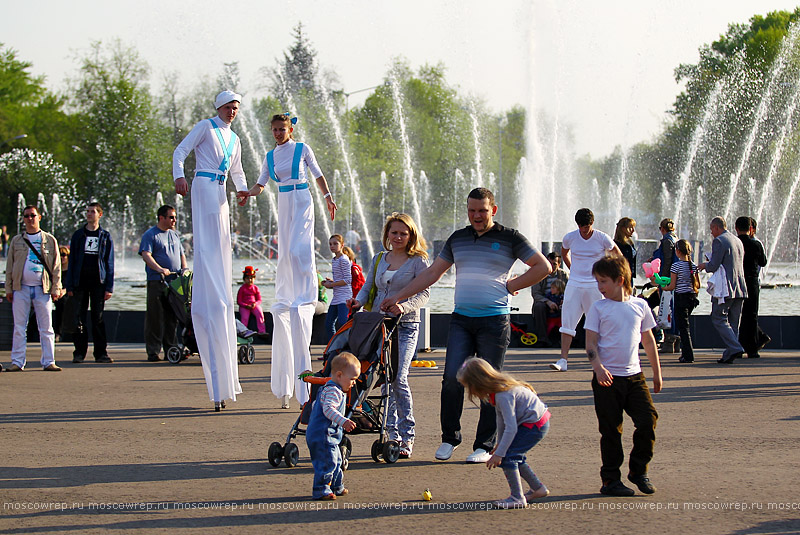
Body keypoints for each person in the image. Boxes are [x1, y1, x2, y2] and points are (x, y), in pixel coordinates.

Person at [380, 188, 551, 463]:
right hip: (461, 319)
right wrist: (397, 297)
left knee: (489, 382)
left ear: (493, 210)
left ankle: (484, 444)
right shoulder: (458, 238)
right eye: (472, 211)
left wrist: (512, 285)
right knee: (451, 379)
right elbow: (433, 273)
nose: (476, 216)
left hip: (494, 320)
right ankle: (450, 438)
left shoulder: (510, 237)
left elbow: (542, 266)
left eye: (482, 211)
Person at [238, 113, 336, 409]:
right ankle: (291, 289)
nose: (279, 133)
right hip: (284, 201)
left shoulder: (302, 149)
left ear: (290, 129)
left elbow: (318, 174)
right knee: (286, 252)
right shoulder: (270, 156)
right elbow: (260, 185)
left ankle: (307, 288)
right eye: (275, 130)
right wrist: (247, 194)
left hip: (303, 198)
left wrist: (328, 196)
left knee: (298, 250)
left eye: (282, 129)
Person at [173, 90, 248, 410]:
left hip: (221, 191)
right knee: (206, 245)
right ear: (219, 107)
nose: (233, 112)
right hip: (202, 185)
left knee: (222, 242)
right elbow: (180, 151)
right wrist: (179, 176)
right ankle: (206, 265)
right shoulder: (205, 127)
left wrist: (243, 189)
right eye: (229, 107)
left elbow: (238, 170)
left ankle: (218, 270)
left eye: (236, 108)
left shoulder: (235, 139)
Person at [349, 213, 430, 458]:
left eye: (403, 233)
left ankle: (407, 436)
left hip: (405, 326)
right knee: (384, 379)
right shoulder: (378, 259)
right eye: (394, 233)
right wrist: (358, 302)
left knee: (399, 378)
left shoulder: (419, 261)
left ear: (411, 235)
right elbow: (367, 287)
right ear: (387, 235)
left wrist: (403, 306)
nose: (398, 237)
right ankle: (390, 434)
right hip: (378, 325)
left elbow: (424, 295)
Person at [585, 255, 662, 496]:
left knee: (648, 421)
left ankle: (638, 471)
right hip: (606, 379)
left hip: (634, 377)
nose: (600, 287)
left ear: (620, 280)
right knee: (611, 431)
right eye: (597, 281)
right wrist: (597, 367)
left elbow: (648, 341)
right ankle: (610, 480)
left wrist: (657, 374)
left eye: (603, 281)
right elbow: (590, 344)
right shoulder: (598, 307)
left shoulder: (640, 306)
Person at [456, 357, 551, 509]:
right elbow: (501, 421)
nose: (470, 391)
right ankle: (538, 489)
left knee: (509, 457)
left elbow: (511, 427)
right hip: (535, 423)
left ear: (478, 384)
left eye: (469, 387)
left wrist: (500, 454)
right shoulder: (498, 390)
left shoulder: (503, 395)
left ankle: (517, 498)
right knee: (514, 455)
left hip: (534, 425)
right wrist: (500, 444)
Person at [551, 208, 621, 372]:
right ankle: (563, 360)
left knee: (597, 322)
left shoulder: (602, 237)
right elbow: (564, 252)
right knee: (567, 320)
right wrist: (572, 268)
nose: (585, 230)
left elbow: (617, 255)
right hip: (574, 283)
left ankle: (600, 360)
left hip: (594, 285)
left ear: (592, 224)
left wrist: (609, 275)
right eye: (582, 227)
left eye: (587, 227)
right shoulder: (570, 237)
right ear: (578, 225)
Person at [5, 205, 63, 371]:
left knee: (46, 327)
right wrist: (9, 288)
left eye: (33, 216)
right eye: (26, 216)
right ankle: (17, 362)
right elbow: (10, 266)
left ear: (39, 217)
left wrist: (56, 288)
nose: (30, 219)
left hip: (42, 288)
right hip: (21, 288)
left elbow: (56, 266)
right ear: (23, 219)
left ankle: (49, 361)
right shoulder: (17, 240)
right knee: (19, 327)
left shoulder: (49, 239)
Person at [65, 202, 114, 364]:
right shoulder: (79, 235)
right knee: (79, 318)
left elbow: (109, 263)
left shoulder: (105, 236)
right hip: (80, 282)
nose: (89, 214)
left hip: (98, 283)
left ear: (100, 214)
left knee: (98, 318)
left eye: (92, 211)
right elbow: (72, 261)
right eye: (88, 211)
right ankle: (79, 353)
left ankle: (101, 353)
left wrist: (109, 286)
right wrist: (69, 284)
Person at [305, 351, 359, 500]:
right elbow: (328, 409)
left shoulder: (331, 388)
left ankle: (336, 485)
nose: (353, 383)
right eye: (352, 379)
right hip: (322, 434)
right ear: (339, 375)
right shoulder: (333, 391)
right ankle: (321, 488)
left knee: (336, 460)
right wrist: (344, 421)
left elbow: (317, 404)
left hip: (329, 434)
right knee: (327, 462)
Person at [139, 204, 187, 362]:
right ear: (162, 218)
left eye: (175, 217)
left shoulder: (174, 235)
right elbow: (146, 255)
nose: (174, 220)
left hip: (174, 282)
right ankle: (153, 351)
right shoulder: (151, 235)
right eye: (171, 217)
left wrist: (184, 269)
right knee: (155, 316)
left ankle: (171, 349)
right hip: (157, 281)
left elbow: (181, 254)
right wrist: (159, 269)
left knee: (172, 317)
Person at [698, 216, 747, 364]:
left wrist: (704, 265)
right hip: (740, 287)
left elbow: (713, 265)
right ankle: (729, 354)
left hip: (726, 288)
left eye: (712, 229)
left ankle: (736, 347)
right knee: (733, 322)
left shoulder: (719, 241)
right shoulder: (737, 240)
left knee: (718, 318)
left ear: (717, 228)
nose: (711, 233)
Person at [661, 239, 700, 363]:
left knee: (683, 328)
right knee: (685, 326)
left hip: (681, 298)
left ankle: (688, 355)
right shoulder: (693, 266)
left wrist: (663, 287)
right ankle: (686, 353)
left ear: (677, 252)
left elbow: (672, 286)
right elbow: (697, 285)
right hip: (692, 298)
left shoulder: (676, 266)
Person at [736, 216, 769, 358]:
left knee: (737, 315)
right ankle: (753, 349)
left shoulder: (736, 244)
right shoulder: (756, 244)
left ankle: (738, 346)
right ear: (750, 228)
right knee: (752, 314)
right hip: (752, 282)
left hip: (738, 281)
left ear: (736, 229)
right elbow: (763, 262)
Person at [530, 252, 568, 347]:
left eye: (554, 264)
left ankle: (568, 338)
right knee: (539, 306)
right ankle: (543, 339)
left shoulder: (564, 275)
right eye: (549, 263)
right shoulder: (539, 274)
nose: (551, 266)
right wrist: (548, 302)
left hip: (560, 301)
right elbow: (536, 293)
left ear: (559, 264)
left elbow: (570, 290)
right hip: (546, 302)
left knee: (571, 306)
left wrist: (565, 300)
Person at [323, 234, 352, 343]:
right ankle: (334, 346)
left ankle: (347, 344)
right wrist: (330, 282)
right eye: (330, 244)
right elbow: (340, 279)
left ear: (342, 245)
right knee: (328, 323)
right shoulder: (335, 259)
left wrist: (331, 285)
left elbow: (348, 280)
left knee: (342, 321)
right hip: (337, 296)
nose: (332, 246)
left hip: (344, 296)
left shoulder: (343, 259)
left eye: (335, 244)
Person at [237, 266, 266, 335]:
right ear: (244, 279)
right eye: (248, 278)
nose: (250, 280)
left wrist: (255, 304)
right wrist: (246, 305)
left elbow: (259, 299)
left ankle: (262, 331)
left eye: (251, 278)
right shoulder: (242, 289)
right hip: (245, 306)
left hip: (254, 305)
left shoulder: (255, 288)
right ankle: (243, 332)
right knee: (245, 317)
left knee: (260, 314)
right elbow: (239, 301)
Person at [52, 245, 70, 342]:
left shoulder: (71, 269)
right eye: (60, 255)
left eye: (64, 255)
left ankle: (58, 333)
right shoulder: (55, 269)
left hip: (67, 293)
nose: (62, 258)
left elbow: (73, 283)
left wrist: (64, 290)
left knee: (62, 302)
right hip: (56, 292)